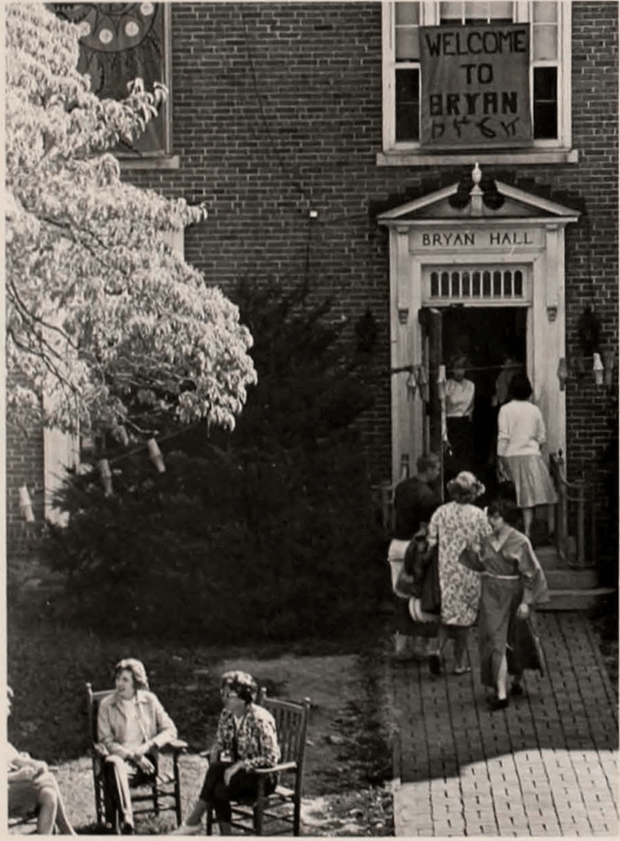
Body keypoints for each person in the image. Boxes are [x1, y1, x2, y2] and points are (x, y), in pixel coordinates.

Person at [459, 498, 549, 710]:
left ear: (506, 518)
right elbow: (478, 565)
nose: (491, 520)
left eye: (496, 516)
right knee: (494, 639)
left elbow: (531, 573)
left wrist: (526, 601)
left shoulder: (520, 541)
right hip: (491, 593)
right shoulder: (486, 540)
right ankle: (501, 692)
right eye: (489, 515)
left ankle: (516, 677)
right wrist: (472, 551)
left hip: (513, 592)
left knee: (518, 638)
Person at [172, 671, 280, 836]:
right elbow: (222, 741)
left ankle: (192, 822)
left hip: (262, 777)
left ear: (243, 697)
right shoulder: (227, 714)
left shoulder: (260, 719)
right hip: (239, 775)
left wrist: (240, 765)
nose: (223, 698)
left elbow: (271, 757)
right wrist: (216, 749)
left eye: (228, 694)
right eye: (222, 693)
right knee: (218, 789)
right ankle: (224, 834)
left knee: (216, 773)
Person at [97, 658, 178, 834]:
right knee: (112, 764)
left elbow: (171, 730)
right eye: (118, 679)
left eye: (125, 679)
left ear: (136, 681)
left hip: (147, 764)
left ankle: (115, 827)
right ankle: (127, 819)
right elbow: (106, 741)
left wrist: (146, 747)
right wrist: (133, 756)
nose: (120, 683)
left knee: (111, 773)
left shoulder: (150, 700)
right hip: (121, 762)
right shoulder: (107, 705)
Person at [425, 471, 492, 676]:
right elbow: (488, 540)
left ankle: (436, 648)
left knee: (448, 614)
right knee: (464, 619)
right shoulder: (478, 515)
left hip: (446, 569)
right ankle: (459, 662)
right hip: (469, 569)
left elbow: (431, 538)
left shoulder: (441, 512)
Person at [387, 452, 442, 659]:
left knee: (400, 593)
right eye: (436, 468)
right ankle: (422, 645)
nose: (438, 472)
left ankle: (400, 645)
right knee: (421, 595)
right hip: (415, 548)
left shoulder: (402, 487)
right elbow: (430, 527)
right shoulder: (428, 497)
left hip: (396, 545)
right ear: (428, 469)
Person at [7, 687, 77, 835]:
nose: (9, 706)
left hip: (11, 788)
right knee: (49, 780)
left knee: (49, 795)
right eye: (5, 701)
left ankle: (62, 833)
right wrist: (16, 777)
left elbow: (15, 758)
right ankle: (68, 833)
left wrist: (35, 764)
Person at [497, 373, 557, 539]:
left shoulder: (505, 410)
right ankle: (544, 532)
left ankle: (525, 532)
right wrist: (533, 447)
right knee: (545, 495)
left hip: (510, 456)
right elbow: (542, 437)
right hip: (531, 456)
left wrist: (502, 461)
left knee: (521, 496)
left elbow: (503, 437)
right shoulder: (534, 410)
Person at [445, 356, 476, 478]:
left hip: (465, 423)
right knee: (452, 458)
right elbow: (444, 407)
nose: (459, 372)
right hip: (451, 422)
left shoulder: (470, 386)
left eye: (462, 368)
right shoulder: (447, 385)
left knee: (465, 458)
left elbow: (470, 405)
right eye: (456, 368)